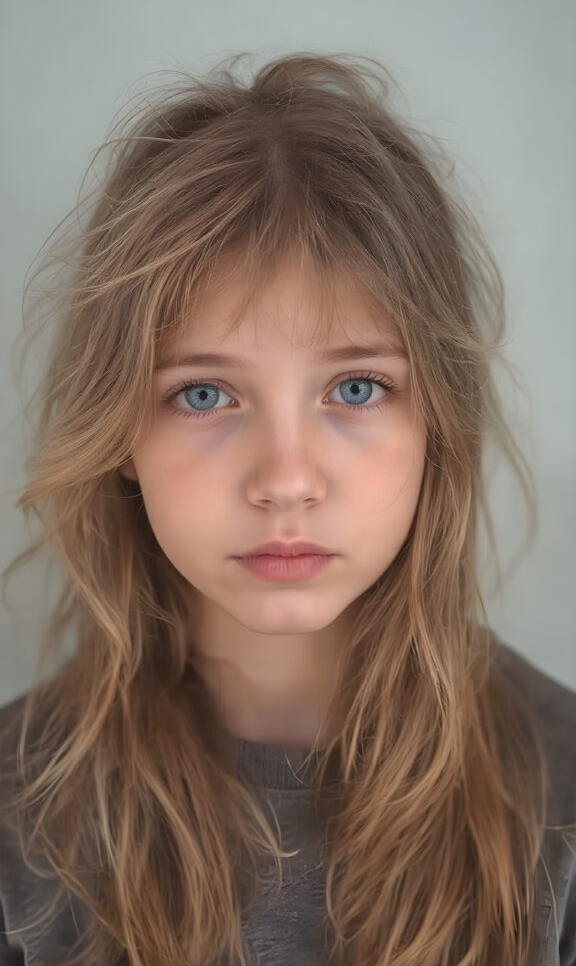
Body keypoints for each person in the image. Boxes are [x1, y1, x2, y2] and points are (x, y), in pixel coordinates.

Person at [0, 52, 574, 966]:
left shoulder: (561, 801)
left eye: (354, 388)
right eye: (202, 396)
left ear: (439, 422)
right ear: (118, 434)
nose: (286, 478)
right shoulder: (17, 820)